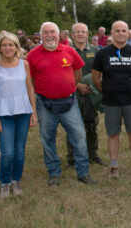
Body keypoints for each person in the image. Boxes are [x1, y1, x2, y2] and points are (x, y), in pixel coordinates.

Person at [27, 22, 95, 186]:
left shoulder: (69, 51)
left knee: (79, 137)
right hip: (45, 104)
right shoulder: (33, 55)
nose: (49, 35)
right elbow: (30, 80)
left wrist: (68, 86)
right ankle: (54, 173)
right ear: (40, 35)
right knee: (48, 139)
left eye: (52, 32)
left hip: (69, 103)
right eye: (46, 33)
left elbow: (77, 73)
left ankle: (83, 172)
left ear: (59, 35)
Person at [91, 21, 131, 179]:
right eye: (117, 31)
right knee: (113, 134)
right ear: (112, 33)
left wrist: (129, 87)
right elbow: (95, 77)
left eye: (124, 30)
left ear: (129, 33)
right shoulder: (103, 53)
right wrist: (106, 90)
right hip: (111, 101)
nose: (121, 33)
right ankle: (114, 166)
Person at [0, 32, 37, 199]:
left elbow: (30, 88)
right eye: (4, 45)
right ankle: (5, 182)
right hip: (4, 112)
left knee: (20, 150)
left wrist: (33, 112)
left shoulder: (24, 64)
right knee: (7, 151)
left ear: (16, 47)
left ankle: (16, 180)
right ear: (0, 47)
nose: (8, 48)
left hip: (23, 111)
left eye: (11, 45)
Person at [65, 22, 106, 168]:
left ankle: (93, 154)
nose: (80, 34)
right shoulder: (66, 51)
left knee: (91, 123)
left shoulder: (96, 51)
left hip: (91, 94)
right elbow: (62, 73)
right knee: (73, 126)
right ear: (72, 35)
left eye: (83, 31)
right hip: (72, 93)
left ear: (88, 34)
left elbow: (101, 71)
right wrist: (77, 85)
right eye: (77, 31)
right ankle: (72, 157)